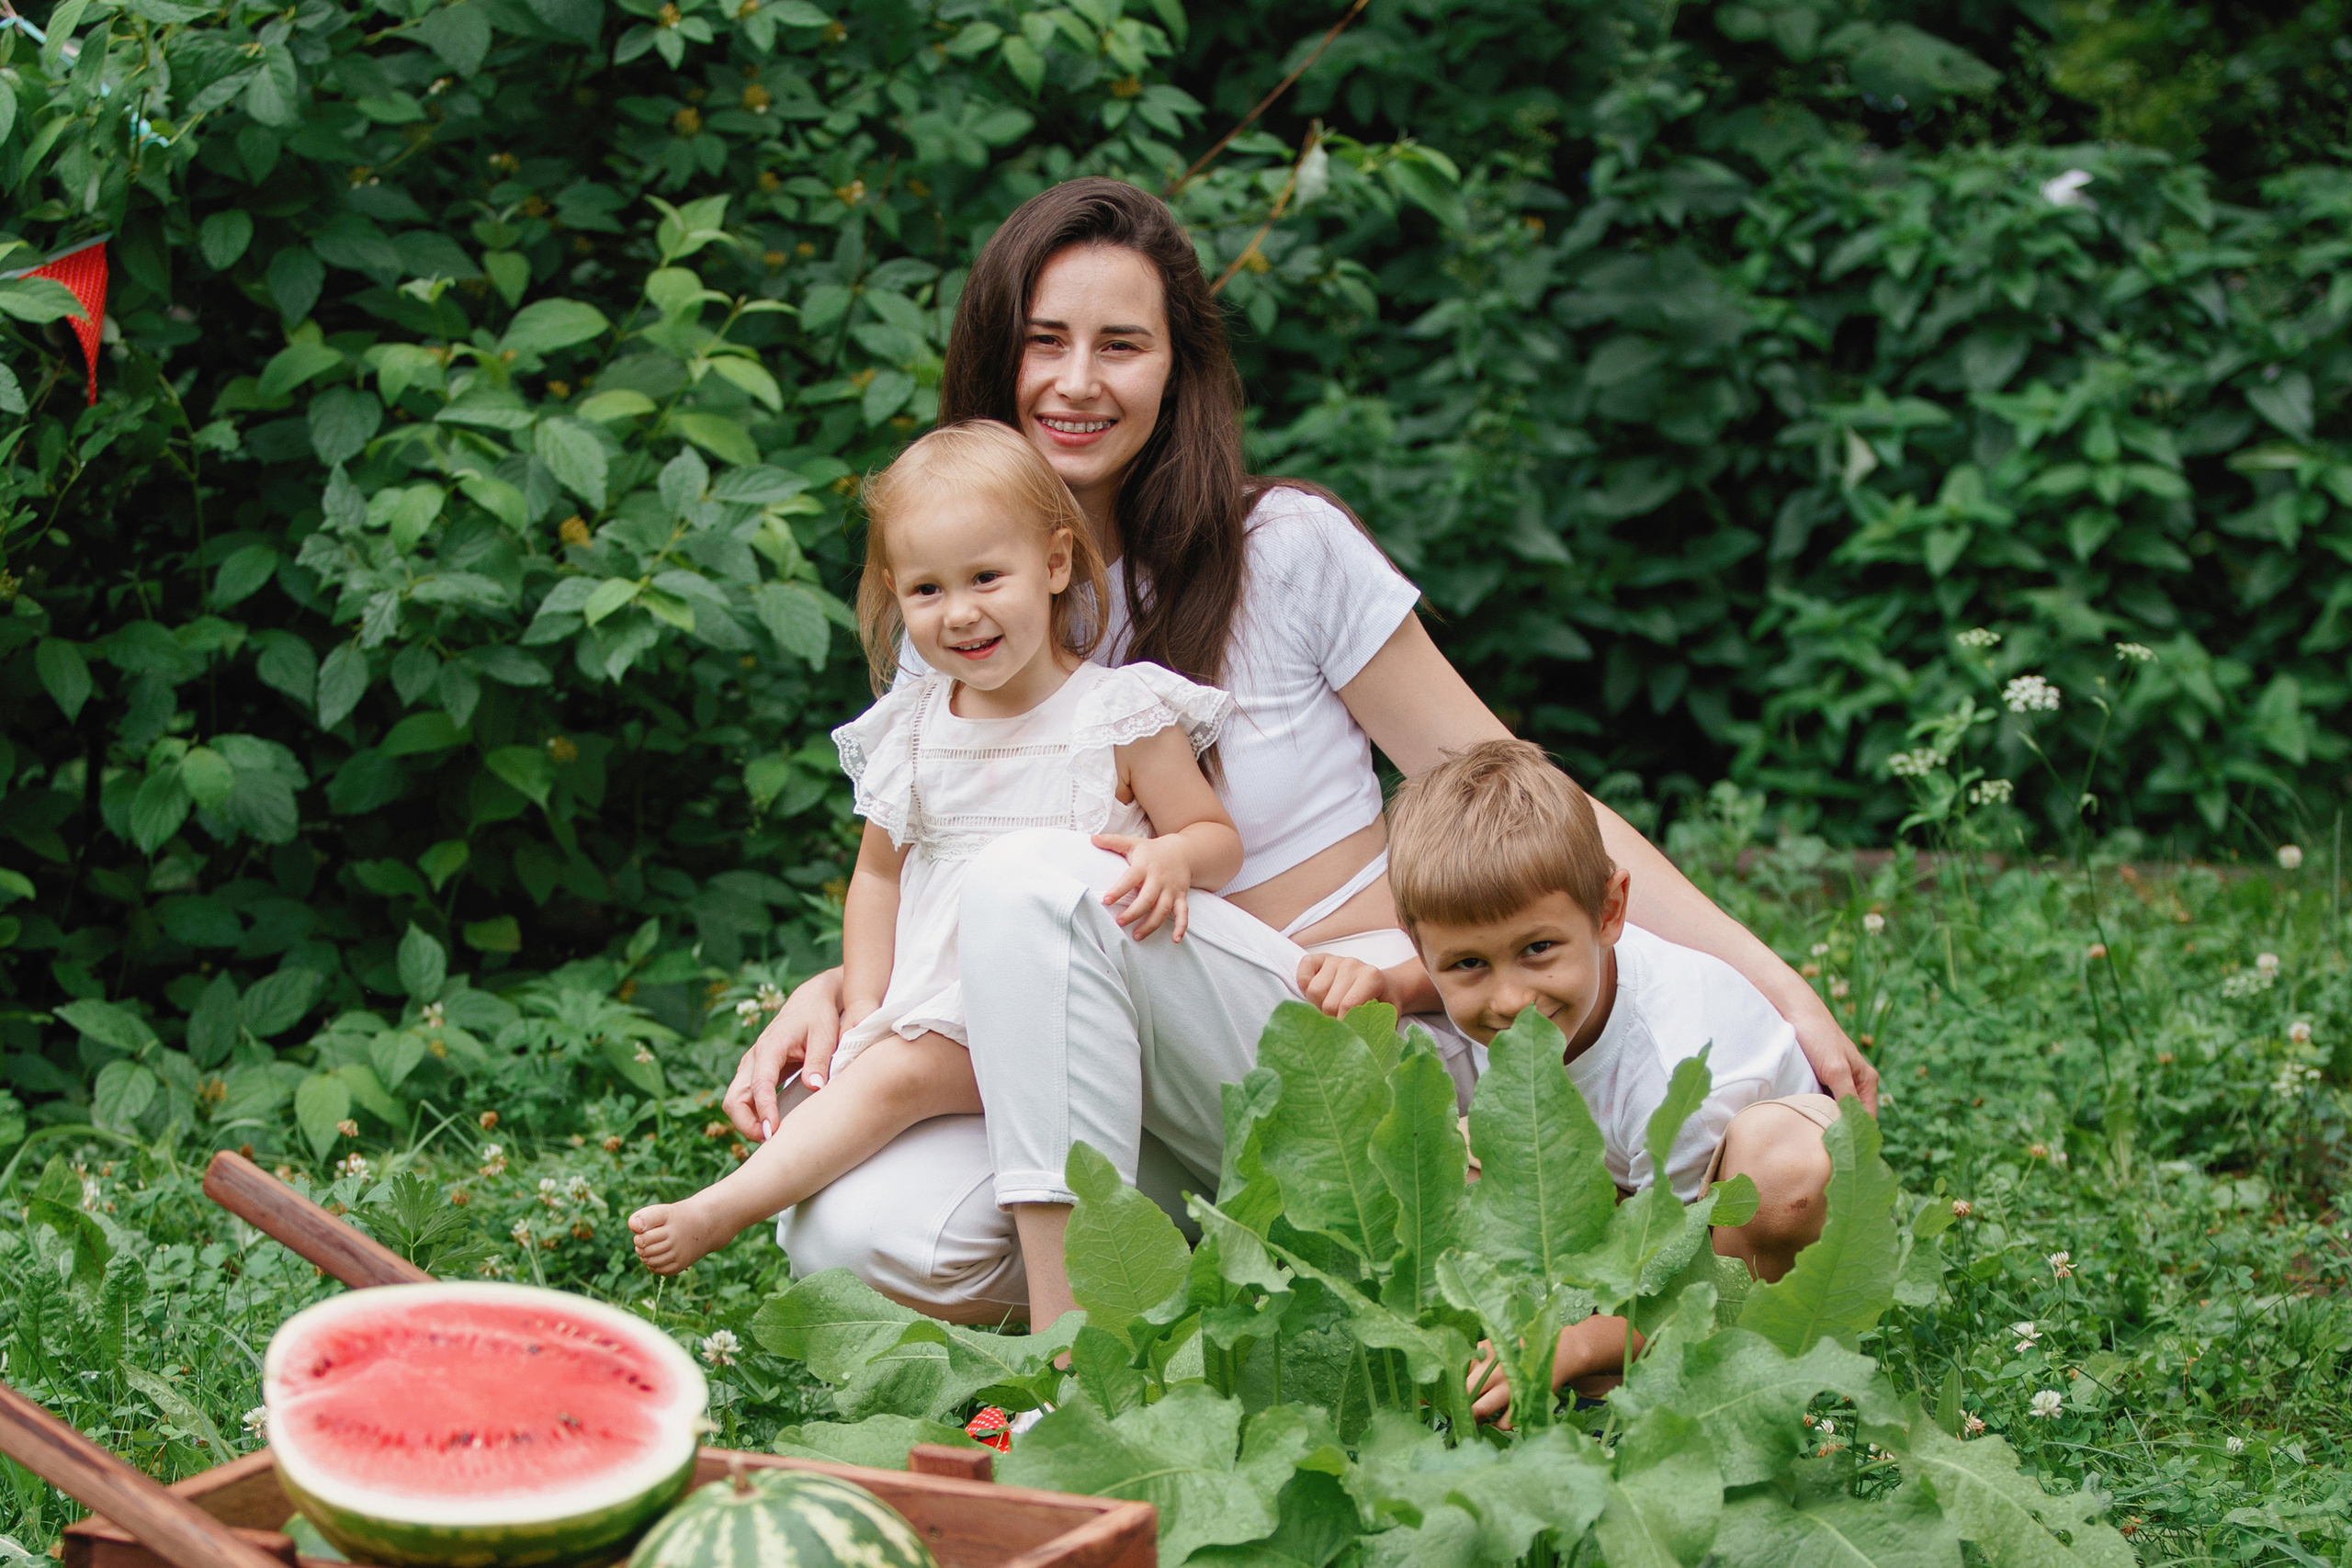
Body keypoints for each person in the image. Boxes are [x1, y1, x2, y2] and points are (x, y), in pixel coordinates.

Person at [724, 177, 1877, 1329]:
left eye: (1120, 344)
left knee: (1035, 879)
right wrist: (847, 989)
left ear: (1175, 368)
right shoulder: (965, 602)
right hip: (1123, 1072)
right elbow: (923, 861)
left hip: (1337, 1030)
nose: (1078, 383)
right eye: (1044, 343)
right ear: (996, 361)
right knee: (851, 1239)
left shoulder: (1284, 548)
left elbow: (1523, 791)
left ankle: (1099, 1334)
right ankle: (1239, 1255)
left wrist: (1773, 981)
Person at [628, 422, 1238, 1274]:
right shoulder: (915, 728)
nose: (961, 612)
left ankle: (719, 1210)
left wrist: (1173, 858)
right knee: (844, 1081)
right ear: (893, 591)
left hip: (1066, 1017)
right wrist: (864, 1007)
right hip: (940, 1009)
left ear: (1056, 564)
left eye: (988, 577)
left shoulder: (1117, 714)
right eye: (926, 589)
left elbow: (1215, 838)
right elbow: (877, 879)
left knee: (891, 1080)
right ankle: (901, 1272)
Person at [1385, 739, 1838, 1420]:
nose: (1509, 998)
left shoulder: (1673, 1072)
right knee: (1443, 1148)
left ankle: (1704, 1351)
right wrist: (1389, 985)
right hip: (1627, 1181)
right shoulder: (1531, 991)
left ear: (1610, 912)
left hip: (1731, 1204)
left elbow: (1682, 1268)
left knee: (1782, 1177)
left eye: (1538, 950)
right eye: (1469, 965)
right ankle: (1551, 1345)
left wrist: (1571, 1342)